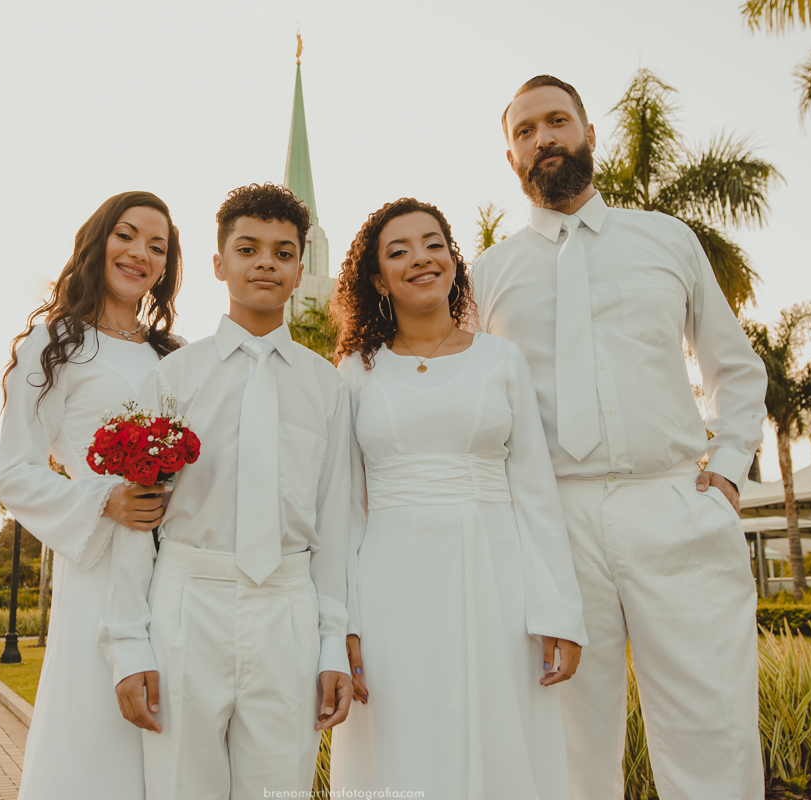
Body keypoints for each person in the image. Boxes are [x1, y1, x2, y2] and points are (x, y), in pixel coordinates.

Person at [471, 75, 769, 799]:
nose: (543, 138)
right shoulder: (486, 275)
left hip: (671, 503)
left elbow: (735, 365)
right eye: (525, 131)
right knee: (567, 740)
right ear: (511, 158)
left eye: (557, 121)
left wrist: (726, 473)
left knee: (713, 725)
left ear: (588, 134)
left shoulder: (667, 239)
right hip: (552, 525)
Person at [98, 183, 353, 800]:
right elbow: (137, 519)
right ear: (219, 263)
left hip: (288, 607)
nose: (265, 261)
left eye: (283, 252)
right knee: (181, 784)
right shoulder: (174, 376)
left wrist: (333, 644)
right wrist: (129, 644)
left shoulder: (327, 387)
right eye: (248, 248)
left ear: (300, 269)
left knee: (281, 788)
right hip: (188, 604)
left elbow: (338, 520)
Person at [327, 198, 587, 799]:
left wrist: (558, 612)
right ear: (377, 279)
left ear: (452, 259)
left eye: (433, 243)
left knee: (498, 738)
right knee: (404, 741)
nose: (421, 258)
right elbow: (344, 506)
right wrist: (343, 621)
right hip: (389, 585)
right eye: (399, 251)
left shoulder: (502, 359)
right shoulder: (356, 371)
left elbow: (535, 491)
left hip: (495, 580)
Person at [0, 191, 184, 800]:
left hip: (178, 570)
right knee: (95, 740)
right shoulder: (56, 343)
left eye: (157, 246)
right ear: (98, 240)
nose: (140, 254)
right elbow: (15, 472)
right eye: (127, 236)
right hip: (99, 567)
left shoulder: (174, 356)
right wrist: (105, 500)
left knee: (173, 735)